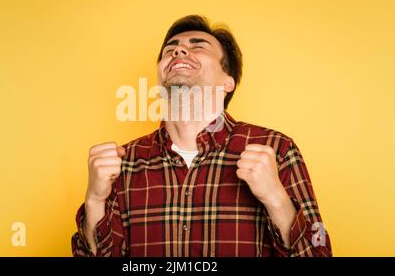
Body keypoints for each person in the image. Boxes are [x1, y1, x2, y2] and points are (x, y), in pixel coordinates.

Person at [71, 15, 332, 257]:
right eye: (170, 48)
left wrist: (276, 198)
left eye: (198, 46)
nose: (178, 50)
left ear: (227, 82)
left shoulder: (276, 149)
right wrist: (95, 199)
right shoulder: (122, 163)